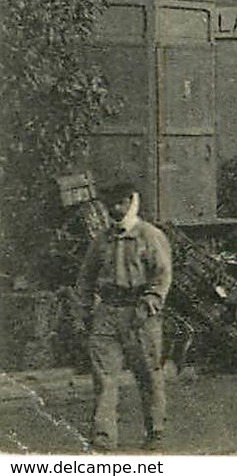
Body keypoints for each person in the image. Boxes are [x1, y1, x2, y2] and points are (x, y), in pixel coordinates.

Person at [76, 181, 172, 452]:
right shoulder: (102, 240)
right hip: (107, 312)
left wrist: (149, 304)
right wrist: (83, 309)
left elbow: (162, 276)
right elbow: (85, 277)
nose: (114, 209)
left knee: (148, 374)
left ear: (131, 201)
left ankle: (156, 429)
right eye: (110, 205)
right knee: (104, 377)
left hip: (139, 314)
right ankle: (104, 438)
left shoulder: (150, 236)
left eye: (119, 203)